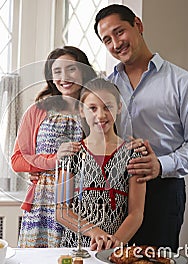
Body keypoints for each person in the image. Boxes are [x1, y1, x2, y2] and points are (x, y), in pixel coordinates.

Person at [93, 4, 188, 251]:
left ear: (138, 25)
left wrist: (161, 165)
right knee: (108, 258)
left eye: (119, 32)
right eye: (107, 40)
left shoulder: (184, 83)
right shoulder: (105, 87)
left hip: (163, 191)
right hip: (112, 192)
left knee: (156, 259)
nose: (116, 44)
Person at [11, 46, 97, 248]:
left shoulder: (95, 110)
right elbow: (17, 160)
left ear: (84, 71)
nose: (64, 77)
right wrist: (53, 161)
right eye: (57, 71)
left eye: (71, 69)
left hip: (84, 203)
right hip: (43, 204)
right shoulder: (37, 110)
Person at [56, 78, 146, 251]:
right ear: (81, 111)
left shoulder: (134, 153)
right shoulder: (72, 154)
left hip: (116, 248)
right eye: (93, 108)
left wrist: (114, 243)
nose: (101, 115)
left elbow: (136, 213)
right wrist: (95, 232)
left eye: (108, 107)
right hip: (76, 248)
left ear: (119, 108)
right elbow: (61, 211)